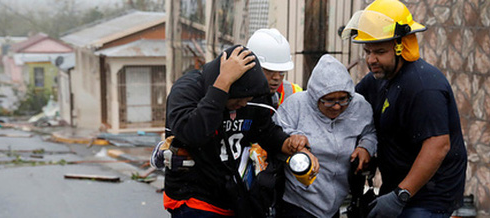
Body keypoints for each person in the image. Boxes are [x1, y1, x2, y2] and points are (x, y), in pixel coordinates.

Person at [341, 0, 467, 217]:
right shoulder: (378, 78)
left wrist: (401, 194)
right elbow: (349, 105)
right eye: (367, 51)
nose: (371, 60)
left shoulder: (424, 87)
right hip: (399, 188)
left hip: (429, 198)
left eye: (379, 51)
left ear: (401, 46)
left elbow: (438, 146)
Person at [161, 45, 318, 218]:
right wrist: (222, 85)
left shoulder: (254, 90)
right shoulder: (188, 89)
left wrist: (290, 144)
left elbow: (265, 131)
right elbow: (193, 133)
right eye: (238, 99)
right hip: (194, 196)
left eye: (248, 100)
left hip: (234, 194)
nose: (243, 104)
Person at [274, 54, 377, 218]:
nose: (337, 106)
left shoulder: (359, 106)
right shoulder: (296, 105)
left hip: (336, 203)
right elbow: (275, 134)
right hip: (298, 202)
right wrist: (293, 140)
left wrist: (365, 146)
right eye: (329, 100)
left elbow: (370, 132)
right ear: (315, 97)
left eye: (343, 99)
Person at [247, 28, 303, 109]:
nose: (277, 77)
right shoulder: (233, 94)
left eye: (282, 71)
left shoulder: (294, 94)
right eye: (270, 71)